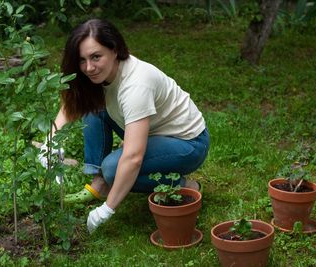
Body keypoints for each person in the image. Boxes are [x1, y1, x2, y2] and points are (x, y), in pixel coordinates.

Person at [39, 18, 210, 233]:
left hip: (187, 143)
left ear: (115, 50)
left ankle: (185, 187)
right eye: (82, 60)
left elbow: (133, 157)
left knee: (114, 168)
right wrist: (51, 141)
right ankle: (100, 182)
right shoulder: (101, 74)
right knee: (92, 107)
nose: (89, 67)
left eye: (96, 57)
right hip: (152, 131)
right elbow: (72, 102)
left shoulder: (136, 85)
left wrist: (107, 209)